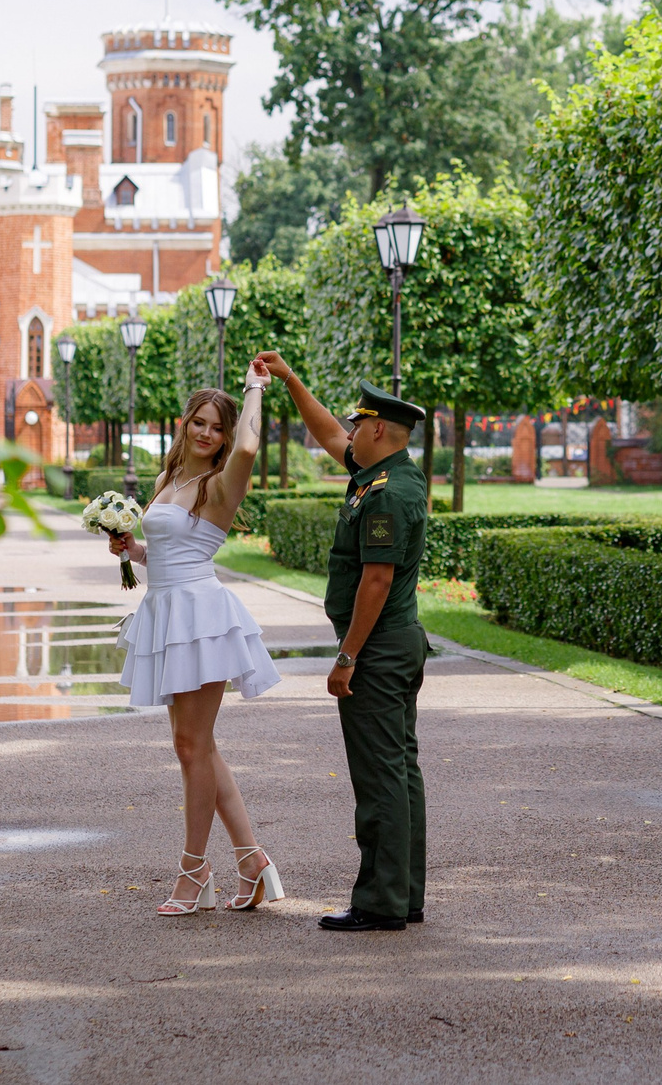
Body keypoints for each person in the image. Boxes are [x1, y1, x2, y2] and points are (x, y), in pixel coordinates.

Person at [252, 355, 430, 932]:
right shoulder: (389, 473)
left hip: (377, 650)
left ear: (379, 429)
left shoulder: (384, 494)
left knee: (380, 777)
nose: (348, 432)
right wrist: (290, 380)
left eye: (359, 424)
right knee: (400, 770)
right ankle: (403, 895)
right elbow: (327, 431)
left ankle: (381, 903)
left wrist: (346, 657)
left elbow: (376, 581)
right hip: (396, 644)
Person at [109, 374, 287, 915]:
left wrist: (256, 386)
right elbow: (164, 554)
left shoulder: (222, 481)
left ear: (227, 435)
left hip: (201, 618)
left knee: (191, 747)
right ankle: (253, 863)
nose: (208, 433)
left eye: (218, 427)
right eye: (200, 422)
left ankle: (193, 870)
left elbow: (252, 444)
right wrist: (132, 548)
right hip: (166, 610)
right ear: (185, 423)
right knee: (200, 746)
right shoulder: (170, 476)